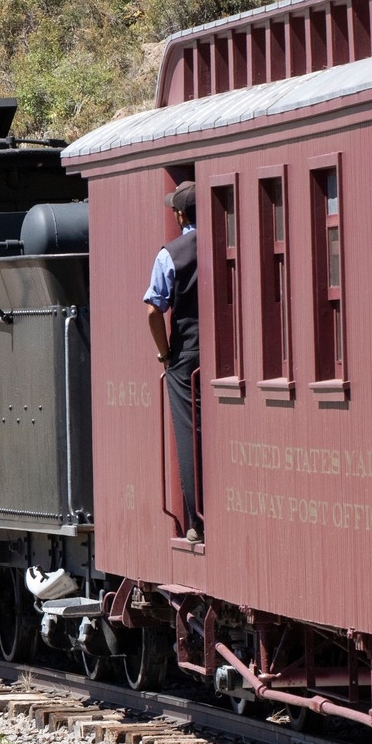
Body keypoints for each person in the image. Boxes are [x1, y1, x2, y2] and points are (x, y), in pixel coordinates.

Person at [144, 181, 201, 542]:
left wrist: (165, 353)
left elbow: (153, 310)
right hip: (226, 351)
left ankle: (197, 521)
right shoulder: (224, 242)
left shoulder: (170, 254)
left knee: (188, 431)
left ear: (180, 215)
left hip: (187, 353)